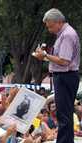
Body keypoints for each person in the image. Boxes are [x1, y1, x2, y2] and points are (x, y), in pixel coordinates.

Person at [35, 8, 80, 143]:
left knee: (64, 115)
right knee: (64, 114)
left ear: (59, 22)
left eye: (51, 26)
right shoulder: (64, 34)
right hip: (65, 76)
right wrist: (45, 58)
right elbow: (61, 59)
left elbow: (64, 61)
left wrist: (46, 55)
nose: (49, 30)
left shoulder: (67, 35)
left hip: (65, 76)